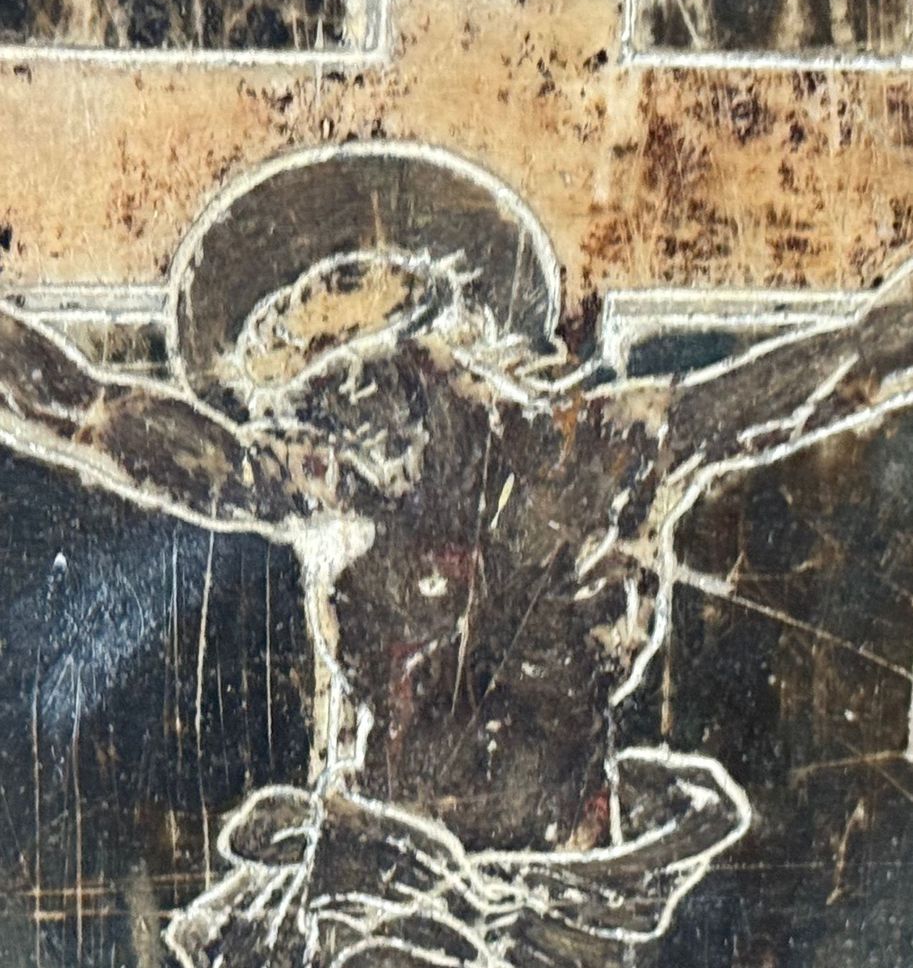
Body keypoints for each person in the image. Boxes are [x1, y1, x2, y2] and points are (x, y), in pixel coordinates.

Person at [1, 234, 911, 966]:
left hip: (555, 901)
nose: (340, 427)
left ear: (434, 350)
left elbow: (850, 361)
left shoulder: (608, 455)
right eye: (315, 405)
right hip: (369, 895)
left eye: (353, 384)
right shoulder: (331, 485)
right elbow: (88, 412)